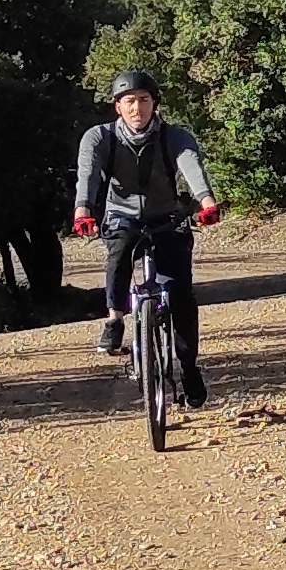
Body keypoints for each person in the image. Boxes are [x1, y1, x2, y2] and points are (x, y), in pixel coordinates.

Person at [70, 69, 222, 405]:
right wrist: (83, 209)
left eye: (143, 100)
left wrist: (206, 200)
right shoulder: (99, 138)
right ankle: (114, 319)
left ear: (155, 104)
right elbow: (89, 174)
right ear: (117, 107)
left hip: (167, 218)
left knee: (180, 294)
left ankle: (188, 367)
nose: (137, 108)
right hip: (121, 216)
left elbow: (191, 165)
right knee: (119, 250)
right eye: (129, 101)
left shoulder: (174, 136)